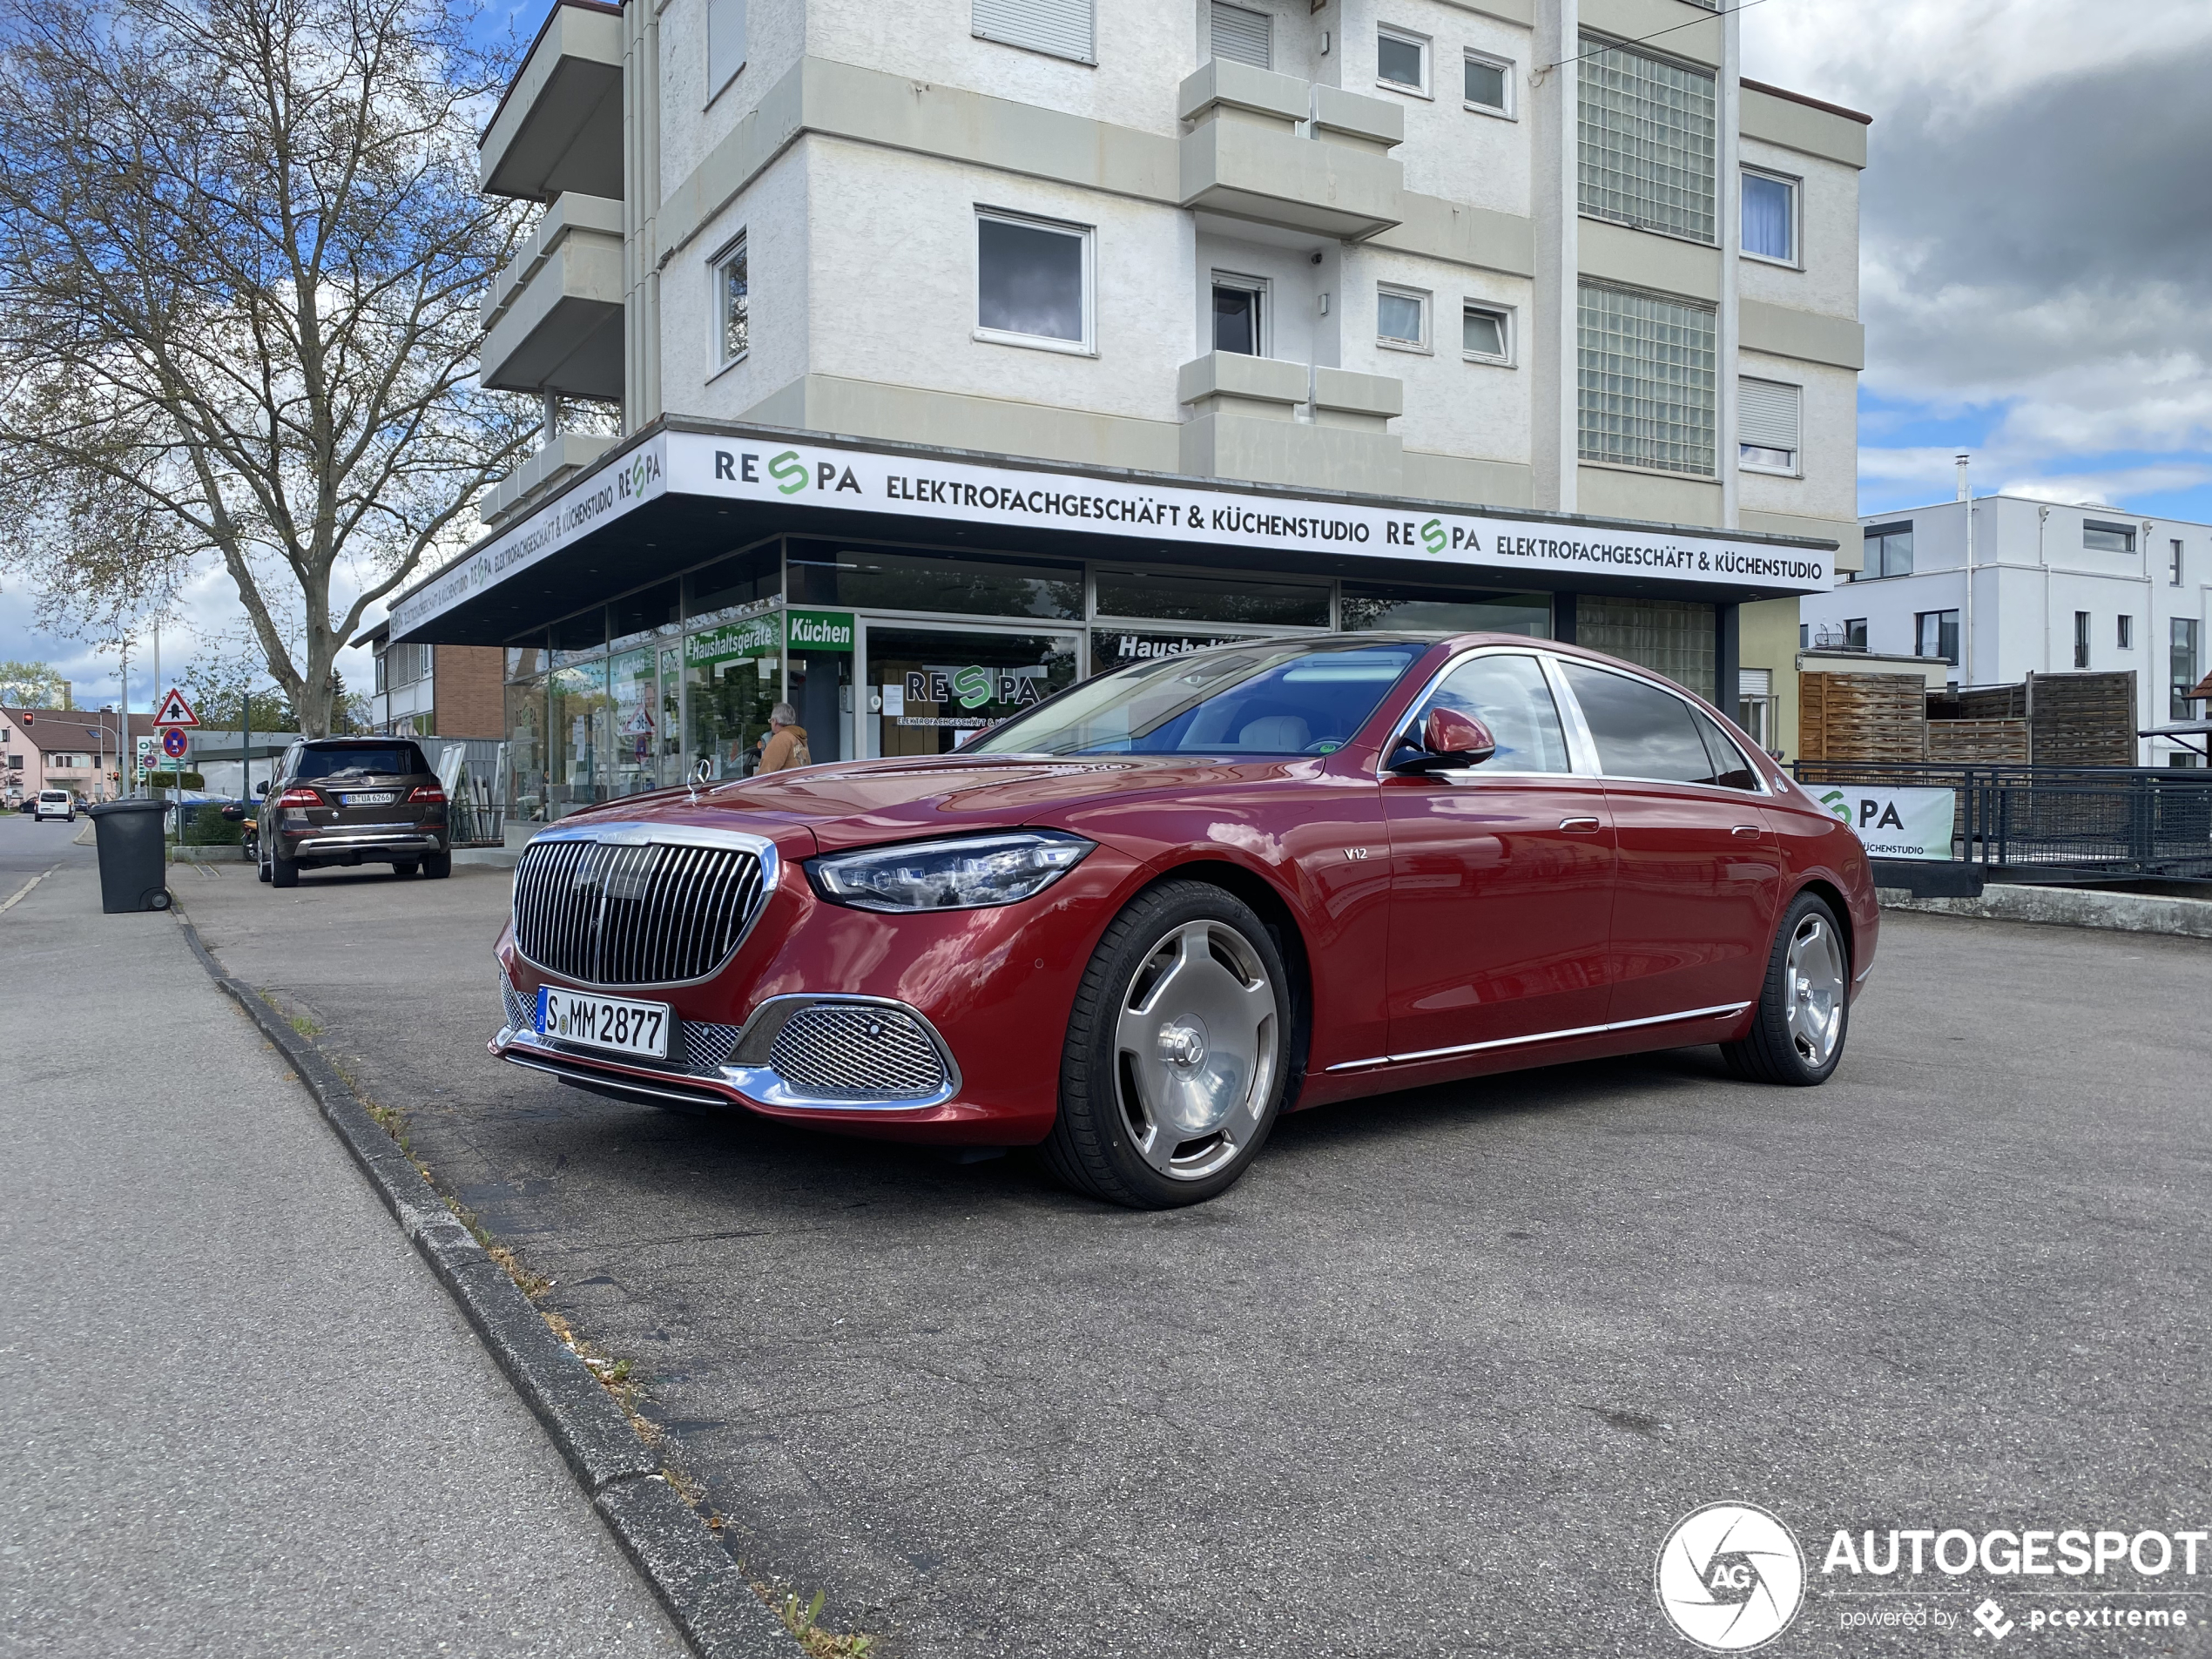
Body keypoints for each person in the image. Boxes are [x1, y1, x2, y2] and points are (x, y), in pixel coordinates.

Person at [756, 703, 811, 772]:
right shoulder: (799, 738)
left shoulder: (780, 739)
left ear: (774, 721)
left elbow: (766, 772)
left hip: (785, 783)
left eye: (771, 721)